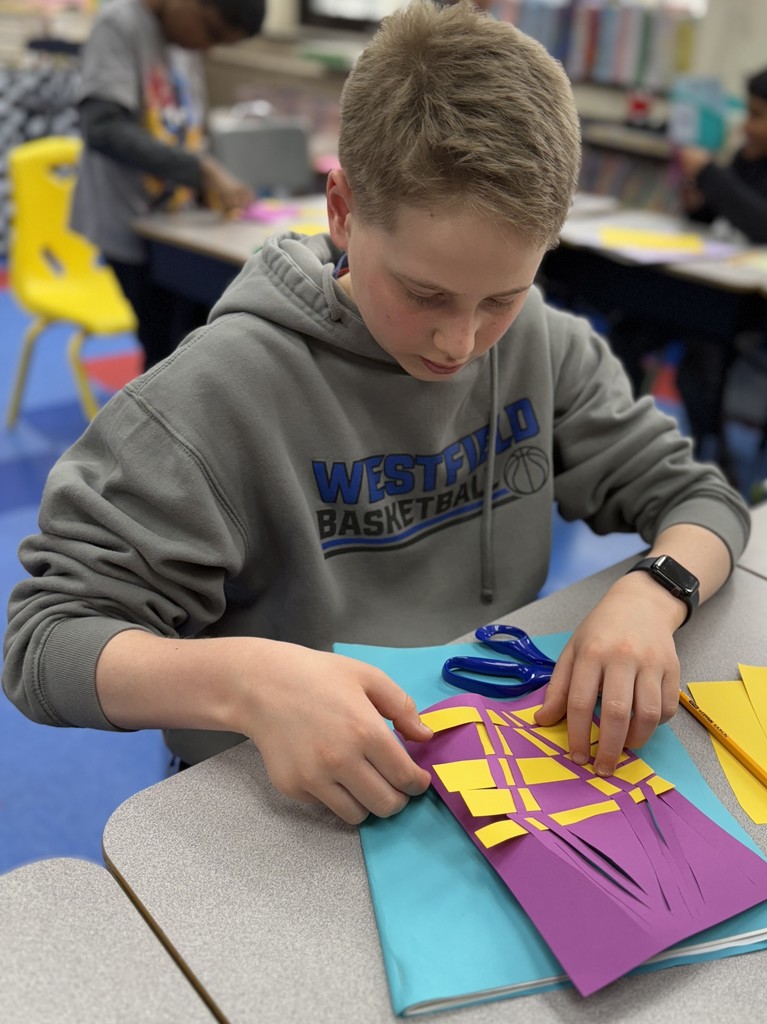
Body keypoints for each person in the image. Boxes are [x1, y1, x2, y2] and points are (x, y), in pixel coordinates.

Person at [3, 1, 749, 826]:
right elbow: (44, 644)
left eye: (500, 296)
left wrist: (655, 591)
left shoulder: (542, 343)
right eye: (423, 293)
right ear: (342, 211)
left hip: (481, 760)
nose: (459, 342)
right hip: (293, 794)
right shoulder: (214, 396)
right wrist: (248, 683)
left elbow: (699, 499)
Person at [70, 0, 266, 370]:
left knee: (197, 338)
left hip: (176, 222)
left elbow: (185, 126)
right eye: (209, 31)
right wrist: (200, 170)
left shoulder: (182, 40)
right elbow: (102, 128)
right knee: (164, 352)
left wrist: (208, 182)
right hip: (130, 221)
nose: (207, 48)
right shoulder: (119, 24)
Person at [610, 67, 767, 461]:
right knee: (627, 329)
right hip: (710, 285)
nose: (747, 126)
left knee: (700, 368)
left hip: (746, 306)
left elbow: (759, 225)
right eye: (748, 113)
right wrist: (699, 199)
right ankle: (613, 436)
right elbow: (714, 217)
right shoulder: (748, 156)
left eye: (758, 116)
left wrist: (710, 174)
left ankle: (716, 459)